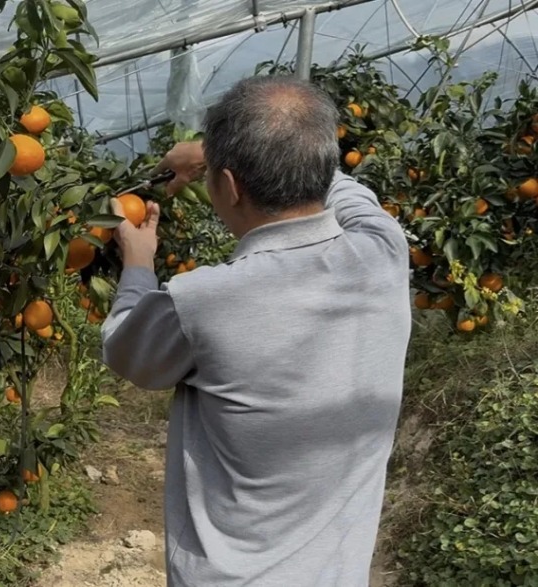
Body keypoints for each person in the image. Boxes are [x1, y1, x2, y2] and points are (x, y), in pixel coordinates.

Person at [102, 75, 411, 586]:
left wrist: (137, 265)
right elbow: (343, 187)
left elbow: (123, 349)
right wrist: (218, 152)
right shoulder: (383, 250)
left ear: (229, 186)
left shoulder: (204, 300)